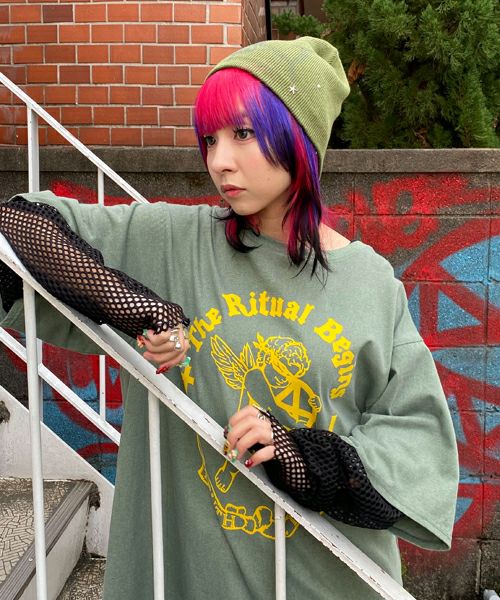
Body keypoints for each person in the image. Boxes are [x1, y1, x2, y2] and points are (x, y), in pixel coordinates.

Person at [0, 37, 458, 599]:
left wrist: (299, 456)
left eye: (242, 133)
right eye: (210, 139)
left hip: (328, 579)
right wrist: (141, 309)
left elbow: (417, 442)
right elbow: (17, 226)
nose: (219, 161)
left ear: (298, 135)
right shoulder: (174, 242)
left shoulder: (371, 282)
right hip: (192, 575)